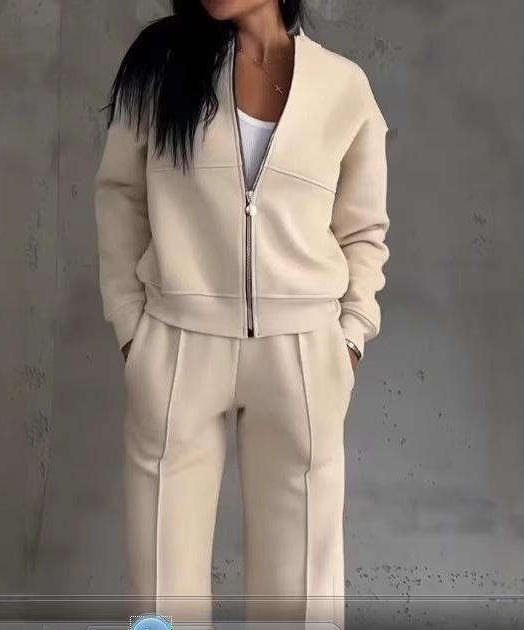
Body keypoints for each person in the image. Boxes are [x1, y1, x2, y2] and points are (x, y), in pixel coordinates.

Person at [93, 1, 390, 627]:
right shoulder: (163, 69)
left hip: (301, 351)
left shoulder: (343, 86)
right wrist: (131, 329)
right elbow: (120, 195)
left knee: (302, 594)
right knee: (160, 590)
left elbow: (363, 230)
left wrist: (350, 339)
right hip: (178, 342)